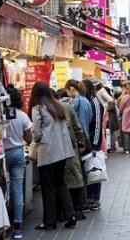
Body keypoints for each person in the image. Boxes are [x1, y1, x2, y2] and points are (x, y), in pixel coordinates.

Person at [29, 82, 77, 230]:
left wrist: (37, 140)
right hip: (62, 152)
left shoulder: (38, 108)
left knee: (48, 187)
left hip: (48, 153)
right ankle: (71, 216)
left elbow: (36, 132)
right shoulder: (57, 105)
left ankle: (50, 221)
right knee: (61, 184)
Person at [3, 85, 32, 239]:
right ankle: (18, 227)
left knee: (1, 188)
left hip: (1, 155)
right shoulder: (22, 116)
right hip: (18, 153)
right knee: (17, 190)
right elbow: (29, 139)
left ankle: (1, 224)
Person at [55, 89, 89, 220]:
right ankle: (78, 209)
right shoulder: (68, 107)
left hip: (57, 151)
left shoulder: (47, 108)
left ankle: (64, 212)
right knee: (76, 178)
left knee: (62, 181)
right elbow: (78, 127)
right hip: (72, 148)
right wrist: (81, 143)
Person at [83, 79, 104, 210]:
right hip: (90, 143)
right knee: (90, 170)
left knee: (94, 170)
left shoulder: (95, 103)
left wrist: (95, 145)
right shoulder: (89, 102)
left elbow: (97, 126)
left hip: (93, 144)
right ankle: (90, 198)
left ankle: (94, 199)